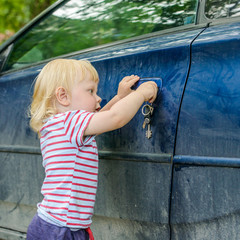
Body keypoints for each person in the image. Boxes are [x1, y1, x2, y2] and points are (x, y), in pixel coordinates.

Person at [26, 59, 158, 240]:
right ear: (63, 96)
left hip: (51, 225)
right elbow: (115, 117)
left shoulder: (59, 125)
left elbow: (101, 116)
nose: (98, 98)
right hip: (62, 230)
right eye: (91, 91)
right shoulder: (69, 121)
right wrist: (142, 93)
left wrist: (120, 98)